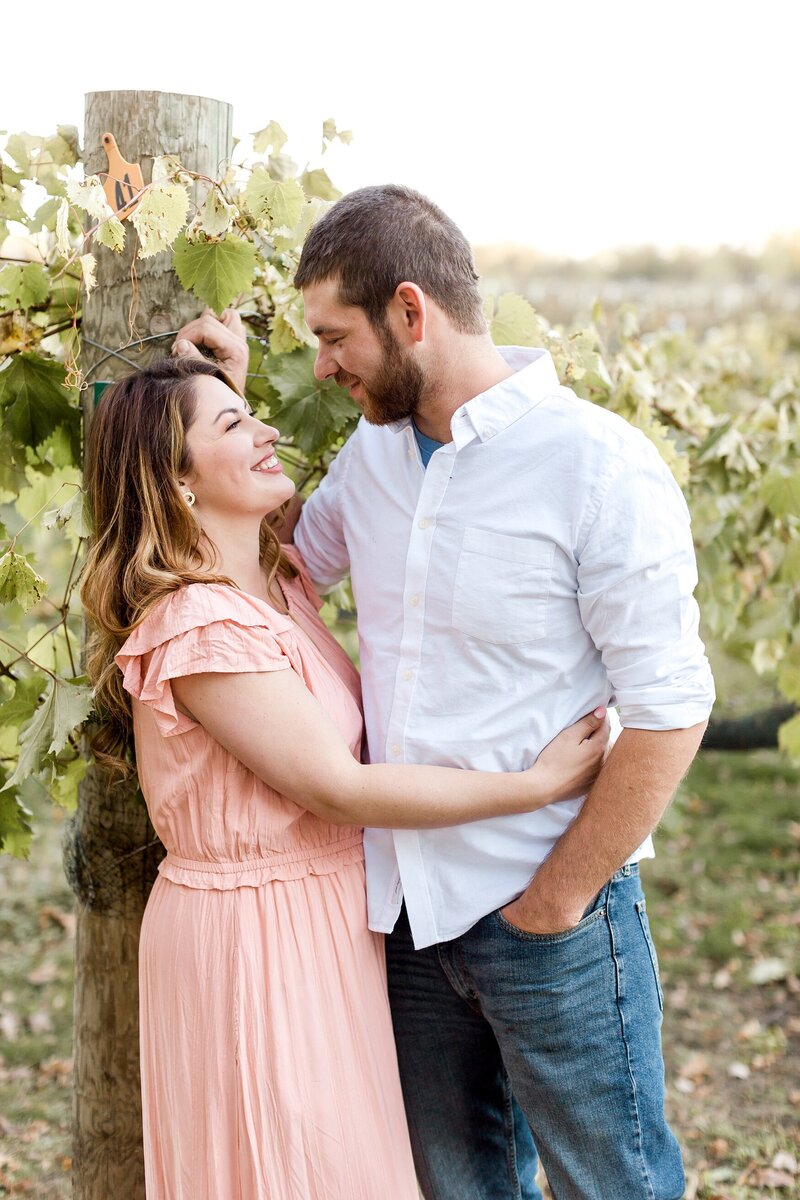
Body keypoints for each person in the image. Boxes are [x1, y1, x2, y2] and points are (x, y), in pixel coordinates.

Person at [176, 183, 716, 1200]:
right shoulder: (369, 460)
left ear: (409, 312)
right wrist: (218, 406)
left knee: (616, 1187)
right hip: (407, 923)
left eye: (335, 337)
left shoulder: (595, 467)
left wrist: (554, 901)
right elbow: (272, 578)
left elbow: (669, 709)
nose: (323, 365)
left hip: (548, 910)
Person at [80, 355, 609, 1200]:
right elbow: (337, 786)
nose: (266, 431)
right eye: (232, 425)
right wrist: (533, 786)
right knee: (293, 1166)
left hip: (322, 920)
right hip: (253, 938)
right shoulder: (196, 624)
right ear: (177, 484)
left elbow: (258, 504)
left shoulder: (277, 584)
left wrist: (228, 387)